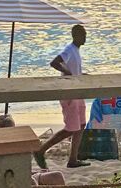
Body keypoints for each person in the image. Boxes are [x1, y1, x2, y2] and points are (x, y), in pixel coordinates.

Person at [35, 25, 90, 170]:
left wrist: (81, 76)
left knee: (81, 125)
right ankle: (40, 150)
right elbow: (55, 62)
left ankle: (73, 159)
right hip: (69, 94)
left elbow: (73, 70)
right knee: (71, 128)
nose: (85, 37)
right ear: (76, 35)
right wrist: (67, 72)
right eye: (83, 34)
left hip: (77, 92)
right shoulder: (69, 49)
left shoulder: (76, 51)